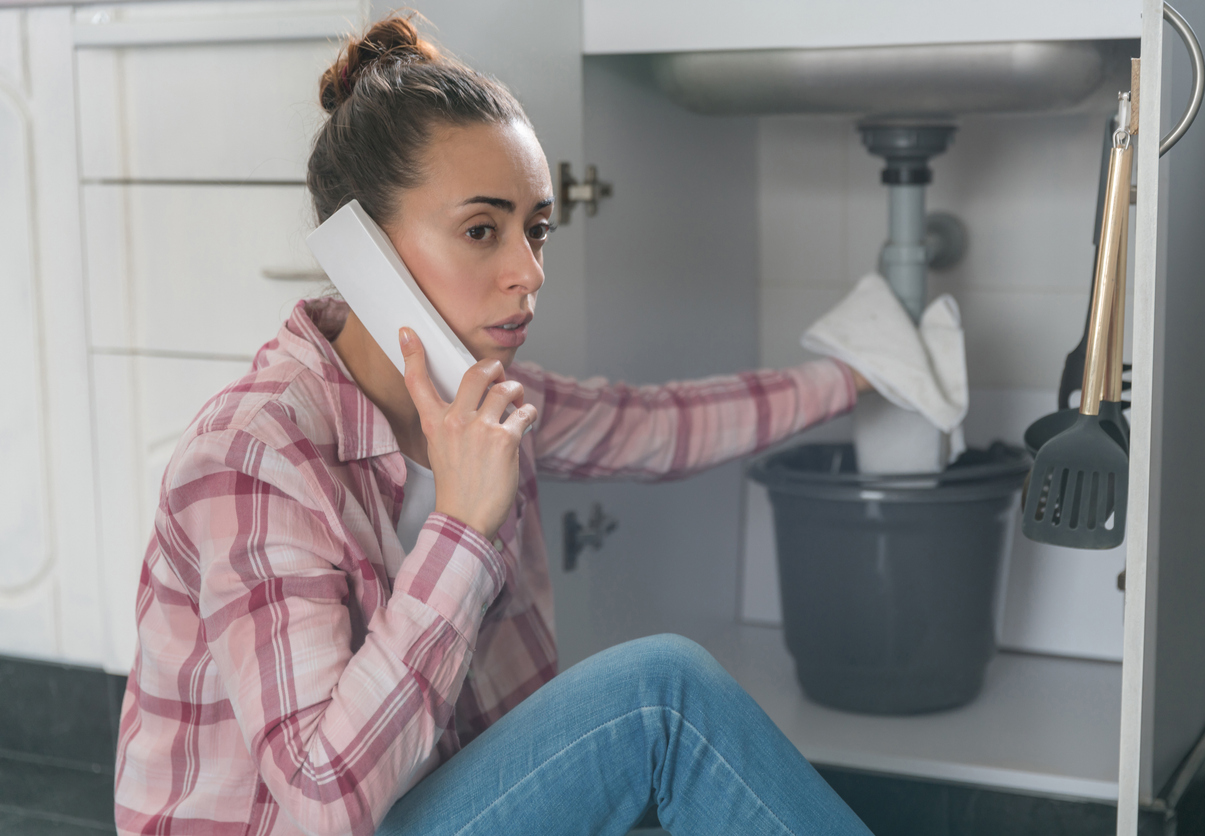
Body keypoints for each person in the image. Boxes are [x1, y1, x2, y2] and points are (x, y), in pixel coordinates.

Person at [113, 14, 875, 836]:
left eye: (536, 228)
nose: (529, 272)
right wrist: (463, 531)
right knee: (662, 698)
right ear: (362, 250)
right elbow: (322, 805)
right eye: (483, 230)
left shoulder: (488, 400)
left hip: (431, 805)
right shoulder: (253, 456)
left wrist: (856, 373)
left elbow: (657, 427)